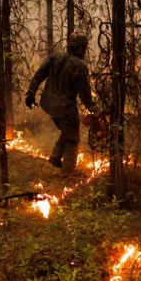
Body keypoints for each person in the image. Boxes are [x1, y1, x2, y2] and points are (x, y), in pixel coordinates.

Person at [25, 32, 94, 177]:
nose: (85, 51)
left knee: (68, 130)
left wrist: (31, 93)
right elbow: (85, 94)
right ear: (80, 48)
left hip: (49, 104)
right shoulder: (79, 67)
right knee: (73, 139)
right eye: (84, 48)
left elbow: (39, 74)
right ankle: (68, 172)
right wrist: (94, 109)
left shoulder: (54, 57)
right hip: (65, 108)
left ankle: (56, 156)